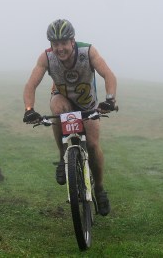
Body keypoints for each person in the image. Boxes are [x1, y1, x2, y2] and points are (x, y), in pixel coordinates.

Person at [22, 19, 118, 216]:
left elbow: (108, 75)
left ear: (72, 42)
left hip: (88, 104)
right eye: (55, 44)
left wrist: (109, 100)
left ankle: (99, 189)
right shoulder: (46, 58)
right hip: (63, 98)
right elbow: (31, 84)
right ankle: (62, 158)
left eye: (64, 43)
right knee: (58, 110)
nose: (60, 49)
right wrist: (29, 109)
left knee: (92, 145)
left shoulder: (88, 52)